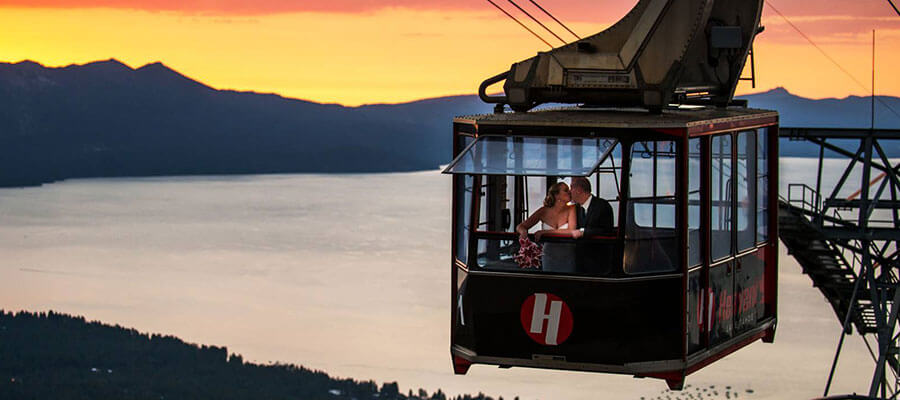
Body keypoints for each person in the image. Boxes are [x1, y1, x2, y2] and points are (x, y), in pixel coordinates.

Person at [516, 182, 579, 272]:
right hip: (549, 256)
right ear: (556, 195)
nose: (569, 192)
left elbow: (571, 230)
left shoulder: (571, 209)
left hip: (568, 256)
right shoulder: (543, 211)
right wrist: (523, 232)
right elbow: (521, 226)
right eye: (566, 190)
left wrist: (544, 232)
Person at [569, 176, 615, 275]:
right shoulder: (575, 209)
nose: (570, 192)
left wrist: (584, 232)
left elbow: (607, 230)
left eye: (571, 188)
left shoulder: (602, 206)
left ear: (579, 190)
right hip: (580, 262)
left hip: (599, 261)